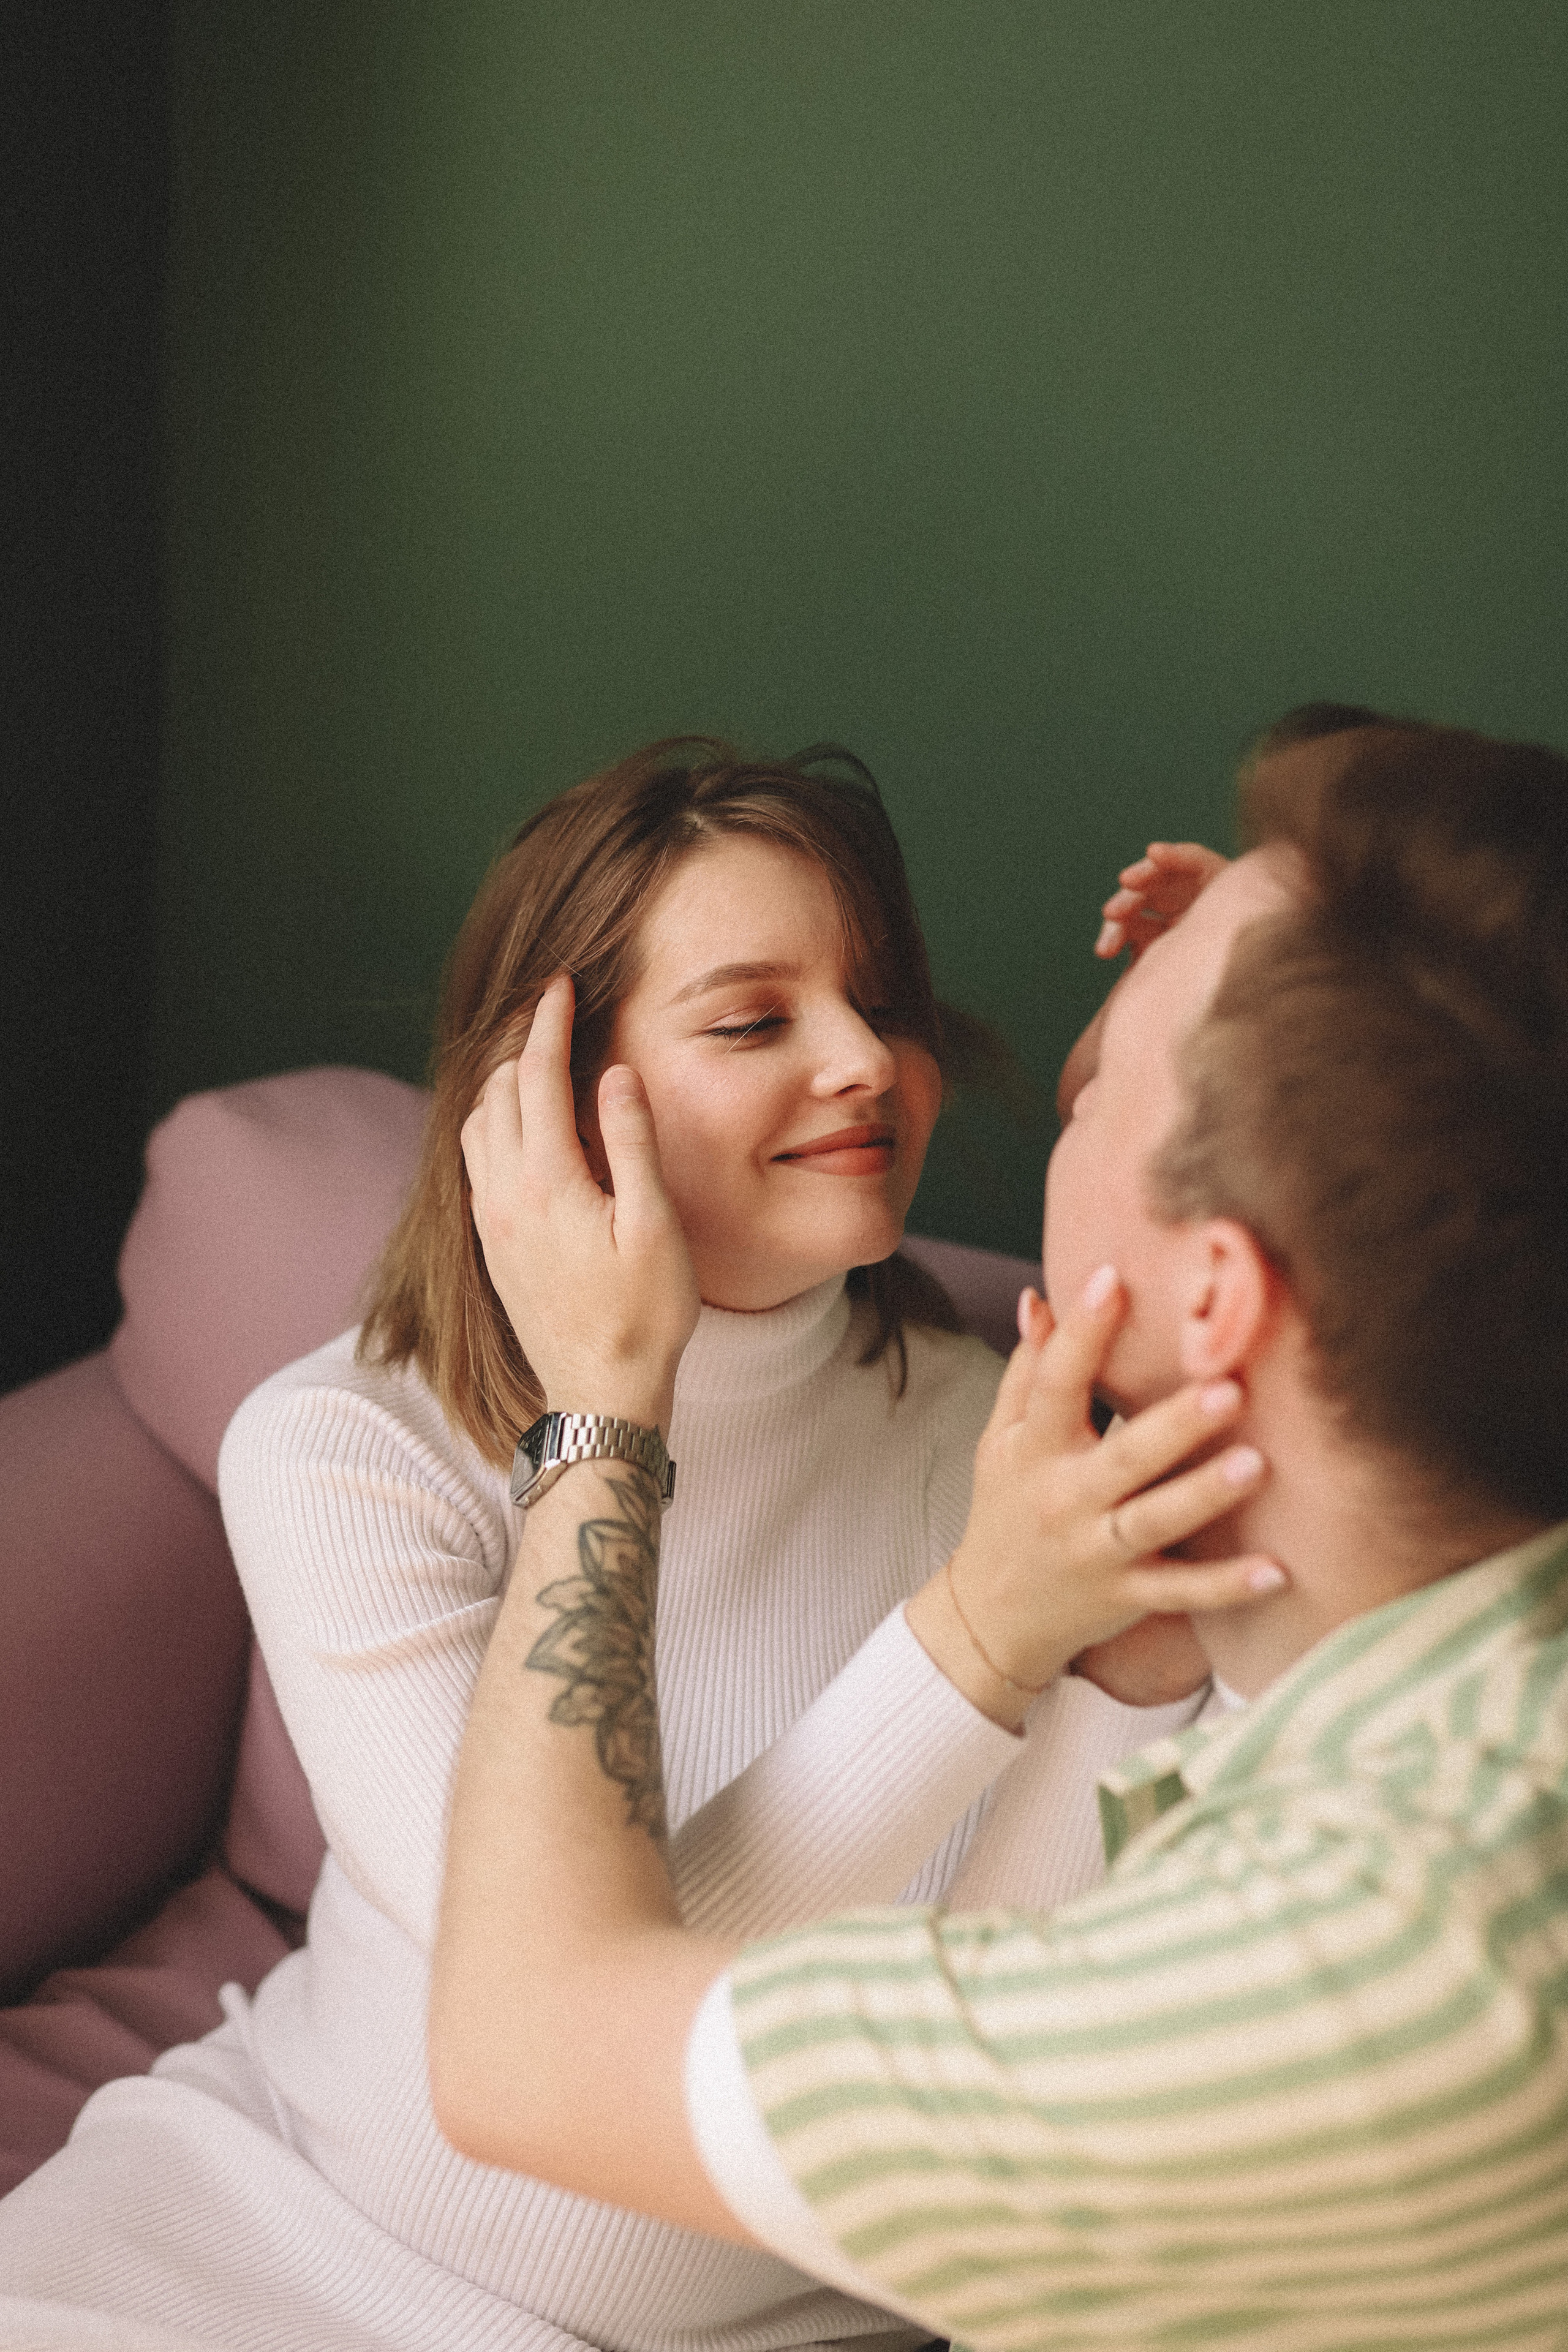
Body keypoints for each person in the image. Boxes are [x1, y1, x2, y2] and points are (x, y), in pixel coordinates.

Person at [0, 741, 1266, 2351]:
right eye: (754, 1020)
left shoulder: (1025, 1449)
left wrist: (1251, 977)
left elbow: (1000, 2012)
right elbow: (556, 2016)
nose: (865, 1062)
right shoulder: (347, 1450)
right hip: (272, 2235)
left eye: (880, 1004)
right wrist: (966, 1641)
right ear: (546, 1100)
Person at [429, 714, 1568, 2348]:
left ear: (1222, 1295)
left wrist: (602, 1409)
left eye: (1094, 1091)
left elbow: (524, 2047)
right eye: (756, 1015)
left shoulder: (1338, 1977)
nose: (884, 1071)